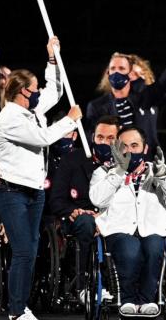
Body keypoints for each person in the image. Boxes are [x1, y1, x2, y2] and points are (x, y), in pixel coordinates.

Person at [0, 37, 83, 320]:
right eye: (34, 90)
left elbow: (54, 91)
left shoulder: (32, 110)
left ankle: (21, 308)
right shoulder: (9, 118)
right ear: (21, 92)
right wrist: (70, 121)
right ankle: (15, 314)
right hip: (12, 192)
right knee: (22, 251)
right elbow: (42, 139)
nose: (38, 94)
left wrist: (52, 60)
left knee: (31, 251)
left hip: (34, 192)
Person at [89, 126, 166, 317]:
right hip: (119, 231)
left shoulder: (157, 170)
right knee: (130, 249)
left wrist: (162, 175)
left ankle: (147, 299)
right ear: (116, 148)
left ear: (145, 148)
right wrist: (118, 172)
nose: (130, 151)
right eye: (124, 146)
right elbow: (97, 200)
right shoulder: (103, 172)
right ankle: (127, 299)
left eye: (135, 145)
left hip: (152, 229)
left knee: (153, 248)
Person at [49, 116, 119, 302]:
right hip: (78, 219)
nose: (105, 142)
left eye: (111, 138)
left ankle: (123, 287)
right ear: (92, 137)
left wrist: (103, 215)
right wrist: (73, 211)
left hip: (112, 217)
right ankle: (85, 286)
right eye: (101, 137)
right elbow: (56, 200)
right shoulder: (71, 160)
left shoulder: (123, 164)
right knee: (87, 223)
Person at [86, 39, 166, 151]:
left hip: (147, 161)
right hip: (114, 162)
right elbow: (92, 138)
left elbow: (165, 81)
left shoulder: (145, 97)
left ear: (130, 74)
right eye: (113, 69)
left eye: (121, 68)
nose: (116, 72)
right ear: (108, 73)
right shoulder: (96, 106)